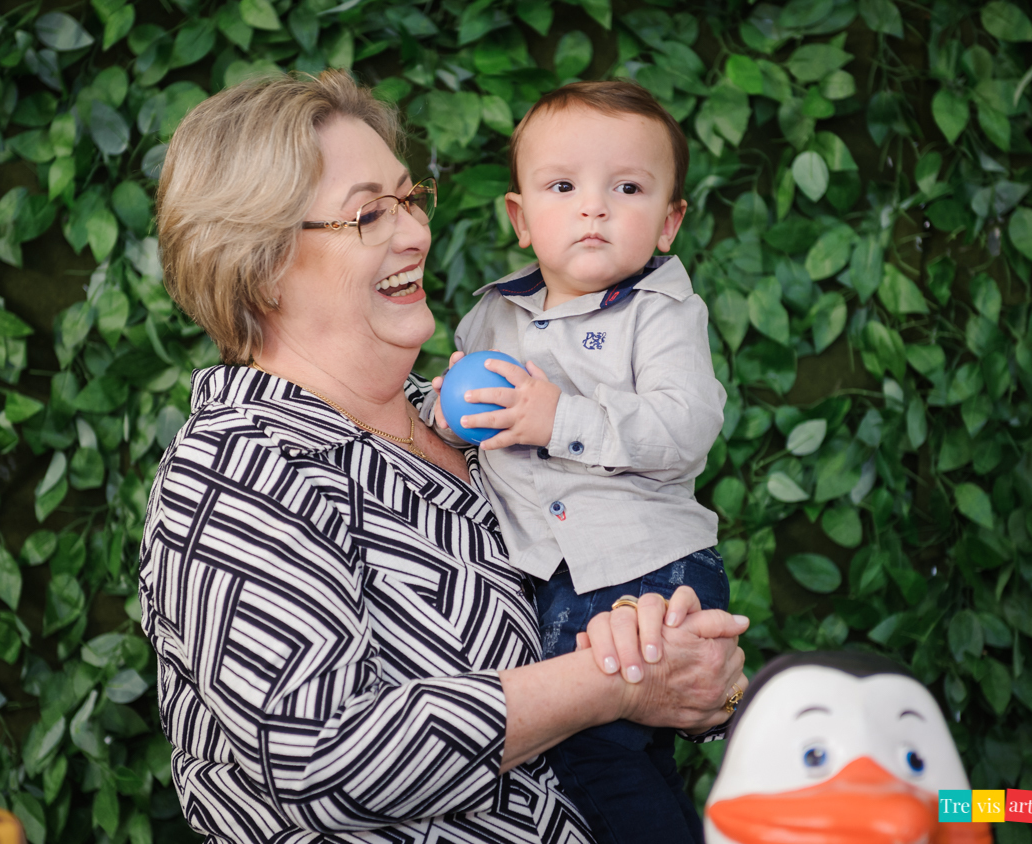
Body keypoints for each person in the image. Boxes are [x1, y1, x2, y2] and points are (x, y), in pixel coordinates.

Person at [141, 69, 748, 844]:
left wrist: (697, 680)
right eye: (368, 214)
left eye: (408, 198)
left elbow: (608, 622)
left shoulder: (481, 412)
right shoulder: (236, 471)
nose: (416, 232)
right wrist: (612, 684)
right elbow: (316, 754)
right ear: (260, 267)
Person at [424, 81, 728, 844]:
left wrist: (560, 417)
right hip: (555, 579)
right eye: (563, 186)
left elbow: (685, 425)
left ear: (669, 221)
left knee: (598, 753)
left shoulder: (661, 313)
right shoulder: (492, 315)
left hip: (647, 567)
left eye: (626, 188)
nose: (593, 207)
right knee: (624, 755)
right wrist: (442, 408)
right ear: (522, 219)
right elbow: (471, 420)